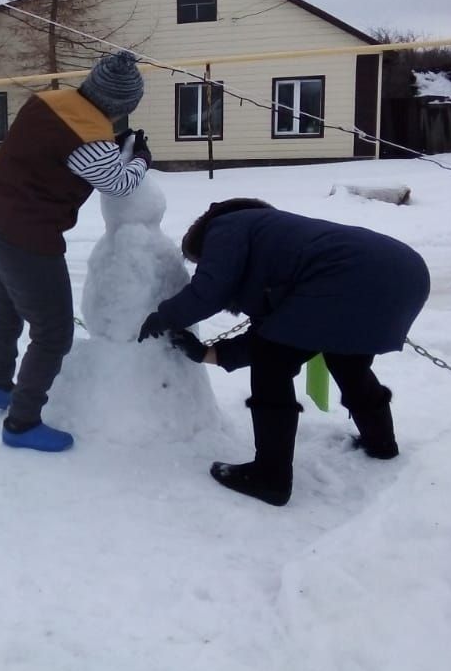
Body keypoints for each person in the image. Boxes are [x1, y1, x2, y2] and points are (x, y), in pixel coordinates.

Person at [138, 198, 430, 506]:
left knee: (271, 367)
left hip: (348, 277)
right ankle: (381, 443)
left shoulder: (225, 226)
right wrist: (206, 353)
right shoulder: (277, 243)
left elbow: (212, 289)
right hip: (406, 271)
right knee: (346, 357)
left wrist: (166, 316)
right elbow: (273, 331)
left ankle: (270, 477)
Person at [0, 50, 151, 451]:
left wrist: (112, 142)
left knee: (1, 314)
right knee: (53, 333)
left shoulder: (48, 102)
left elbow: (52, 153)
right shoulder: (89, 137)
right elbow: (117, 183)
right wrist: (140, 158)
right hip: (26, 241)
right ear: (123, 106)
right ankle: (22, 424)